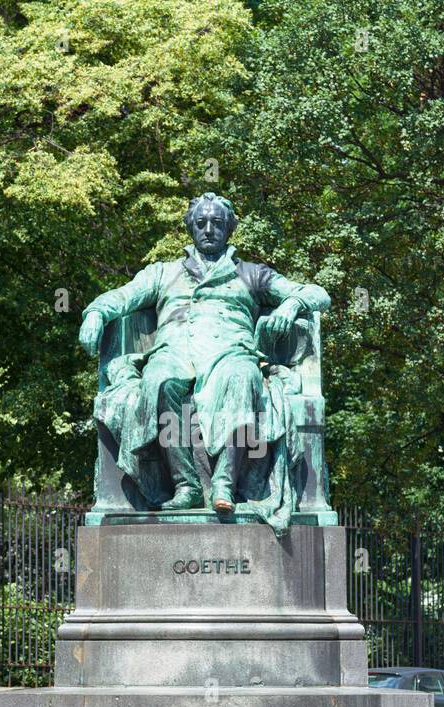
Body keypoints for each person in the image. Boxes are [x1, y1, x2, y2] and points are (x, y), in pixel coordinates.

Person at [78, 192, 330, 529]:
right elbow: (121, 297)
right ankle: (187, 484)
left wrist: (292, 304)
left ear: (229, 229)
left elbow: (318, 293)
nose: (208, 229)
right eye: (201, 223)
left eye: (217, 223)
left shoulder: (251, 274)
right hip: (174, 354)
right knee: (158, 381)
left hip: (231, 352)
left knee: (243, 378)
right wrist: (94, 313)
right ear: (191, 228)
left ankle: (224, 482)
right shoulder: (162, 273)